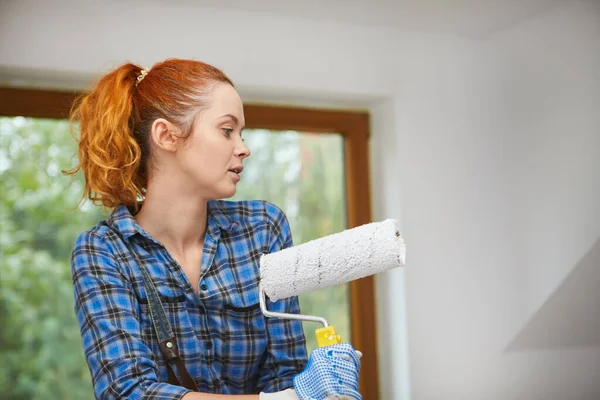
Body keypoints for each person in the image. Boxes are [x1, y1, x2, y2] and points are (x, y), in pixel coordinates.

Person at [66, 58, 362, 400]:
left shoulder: (262, 229)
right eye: (227, 130)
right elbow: (128, 391)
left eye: (242, 133)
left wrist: (320, 390)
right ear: (166, 135)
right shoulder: (103, 252)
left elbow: (286, 371)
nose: (243, 147)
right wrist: (290, 398)